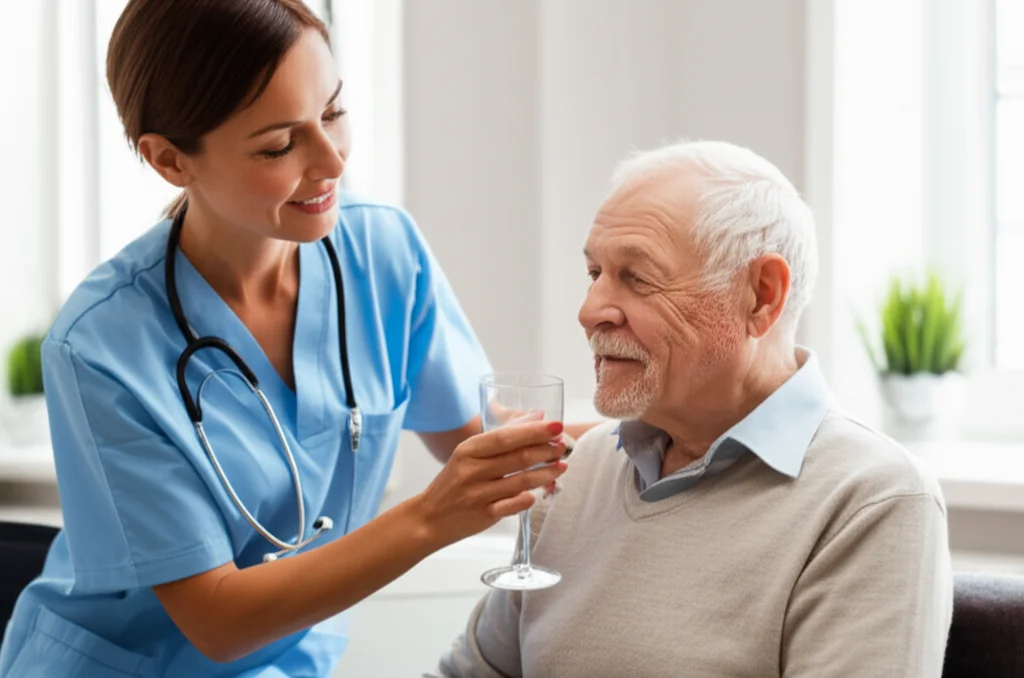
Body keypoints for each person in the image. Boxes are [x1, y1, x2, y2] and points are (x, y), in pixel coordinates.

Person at [0, 1, 583, 676]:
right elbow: (217, 620)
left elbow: (480, 445)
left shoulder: (382, 251)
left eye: (333, 112)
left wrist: (664, 422)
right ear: (168, 160)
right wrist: (430, 516)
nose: (332, 159)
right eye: (280, 144)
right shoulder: (99, 348)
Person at [435, 141, 954, 677]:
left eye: (637, 278)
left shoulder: (874, 500)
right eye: (595, 274)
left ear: (762, 296)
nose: (590, 312)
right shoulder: (578, 470)